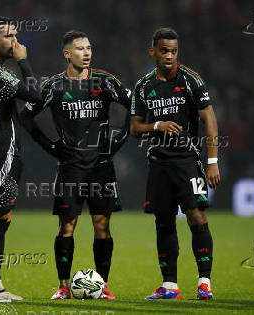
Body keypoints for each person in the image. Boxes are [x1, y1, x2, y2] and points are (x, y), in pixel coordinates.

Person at [0, 16, 66, 302]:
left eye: (16, 36)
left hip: (3, 151)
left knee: (2, 218)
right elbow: (35, 96)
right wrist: (25, 61)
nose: (16, 42)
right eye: (9, 36)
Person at [29, 30, 131, 299]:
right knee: (67, 226)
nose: (86, 53)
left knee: (102, 226)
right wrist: (50, 145)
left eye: (88, 48)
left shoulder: (105, 82)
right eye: (79, 49)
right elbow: (27, 115)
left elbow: (137, 105)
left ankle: (103, 285)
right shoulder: (54, 86)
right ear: (67, 54)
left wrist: (120, 138)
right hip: (71, 167)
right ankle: (63, 286)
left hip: (101, 166)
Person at [130, 27, 220, 300]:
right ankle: (169, 285)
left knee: (196, 216)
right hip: (158, 163)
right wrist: (157, 124)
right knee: (164, 221)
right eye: (164, 50)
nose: (169, 56)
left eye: (174, 51)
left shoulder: (191, 80)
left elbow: (210, 120)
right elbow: (135, 128)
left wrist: (213, 162)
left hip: (187, 160)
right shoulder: (143, 86)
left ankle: (204, 282)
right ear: (153, 51)